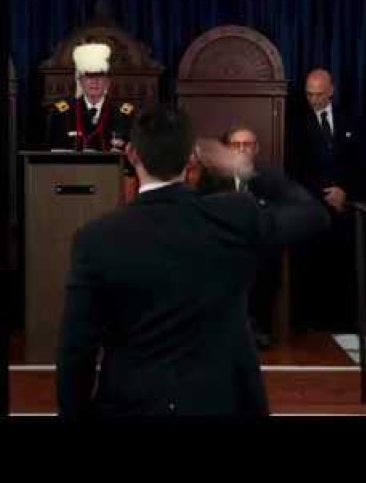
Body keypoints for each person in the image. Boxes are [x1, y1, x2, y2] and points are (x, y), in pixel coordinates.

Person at [56, 106, 329, 418]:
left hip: (132, 406)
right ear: (191, 159)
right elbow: (313, 215)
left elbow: (76, 351)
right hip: (222, 404)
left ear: (131, 154)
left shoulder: (96, 239)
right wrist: (246, 167)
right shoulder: (234, 215)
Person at [289, 68, 362, 332]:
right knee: (313, 270)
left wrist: (346, 192)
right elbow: (294, 169)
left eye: (319, 94)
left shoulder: (351, 120)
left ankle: (343, 322)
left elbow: (361, 164)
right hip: (312, 209)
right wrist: (325, 193)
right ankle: (312, 324)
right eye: (309, 94)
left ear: (331, 91)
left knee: (343, 269)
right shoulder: (295, 125)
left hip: (346, 211)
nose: (313, 100)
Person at [196, 126, 279, 349]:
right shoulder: (212, 177)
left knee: (267, 261)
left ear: (256, 149)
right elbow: (203, 210)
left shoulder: (268, 178)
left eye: (247, 145)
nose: (242, 150)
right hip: (221, 243)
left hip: (257, 244)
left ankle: (257, 328)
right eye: (236, 145)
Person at [46, 42, 136, 153]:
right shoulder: (63, 113)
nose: (95, 82)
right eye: (89, 76)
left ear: (107, 82)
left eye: (100, 76)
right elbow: (53, 152)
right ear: (80, 81)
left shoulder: (123, 114)